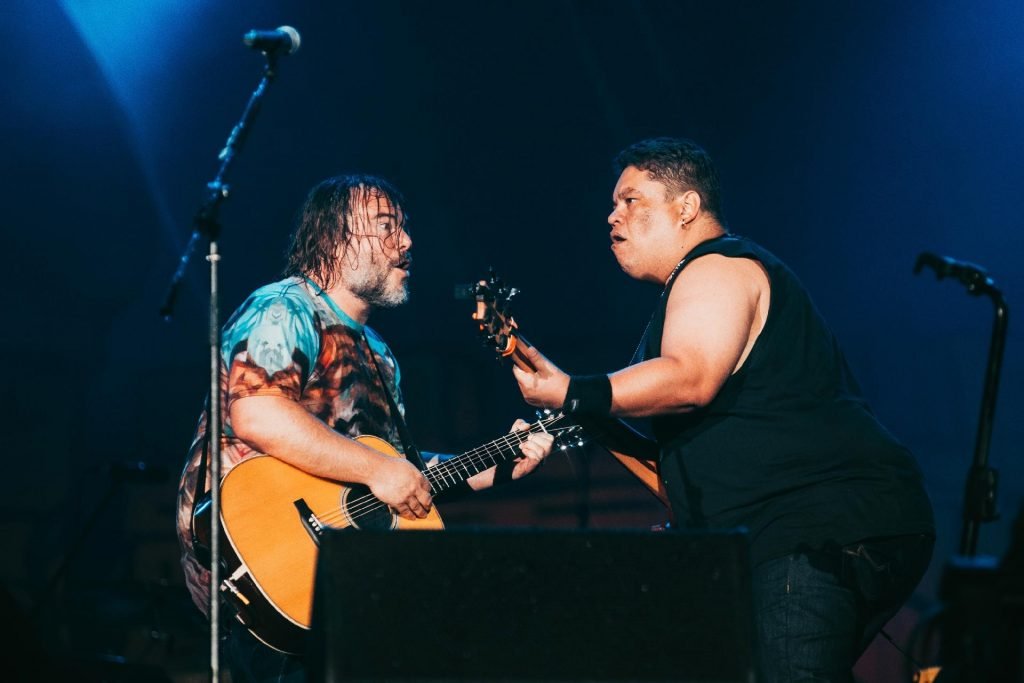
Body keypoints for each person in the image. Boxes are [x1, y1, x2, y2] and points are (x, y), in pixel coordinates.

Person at [513, 137, 935, 682]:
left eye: (631, 200)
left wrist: (574, 390)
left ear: (686, 207)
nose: (611, 215)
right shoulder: (698, 287)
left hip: (810, 529)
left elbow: (691, 377)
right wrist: (594, 420)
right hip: (821, 530)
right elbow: (682, 469)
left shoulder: (714, 267)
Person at [175, 174, 554, 682]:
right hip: (263, 576)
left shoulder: (380, 355)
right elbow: (258, 412)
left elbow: (399, 474)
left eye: (405, 227)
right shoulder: (284, 308)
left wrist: (497, 464)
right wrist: (381, 469)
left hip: (344, 594)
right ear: (335, 238)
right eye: (385, 226)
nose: (406, 241)